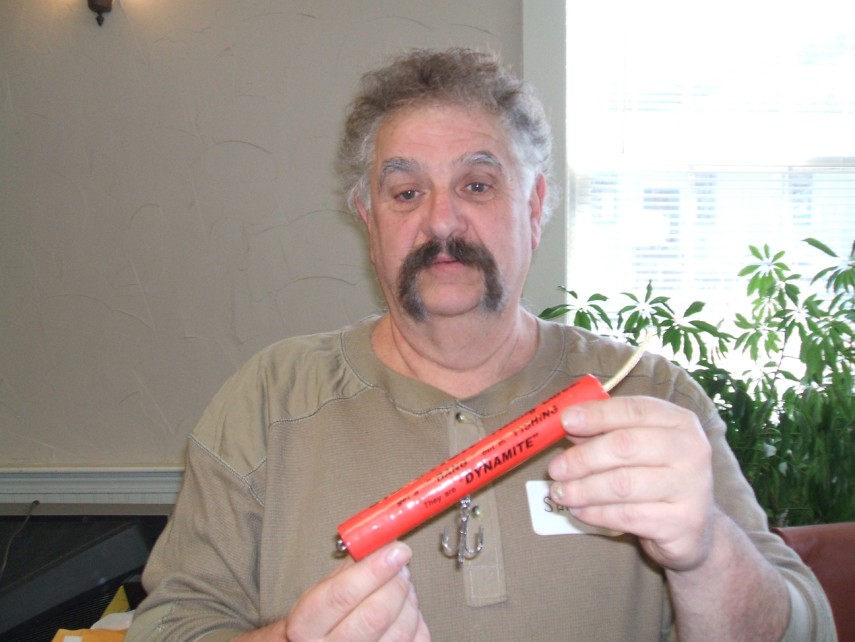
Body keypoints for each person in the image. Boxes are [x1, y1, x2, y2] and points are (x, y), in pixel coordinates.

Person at [125, 48, 835, 641]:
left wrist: (705, 550)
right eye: (406, 193)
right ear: (369, 222)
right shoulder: (267, 400)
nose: (442, 222)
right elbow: (166, 627)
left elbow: (806, 629)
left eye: (476, 184)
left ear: (535, 207)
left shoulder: (652, 393)